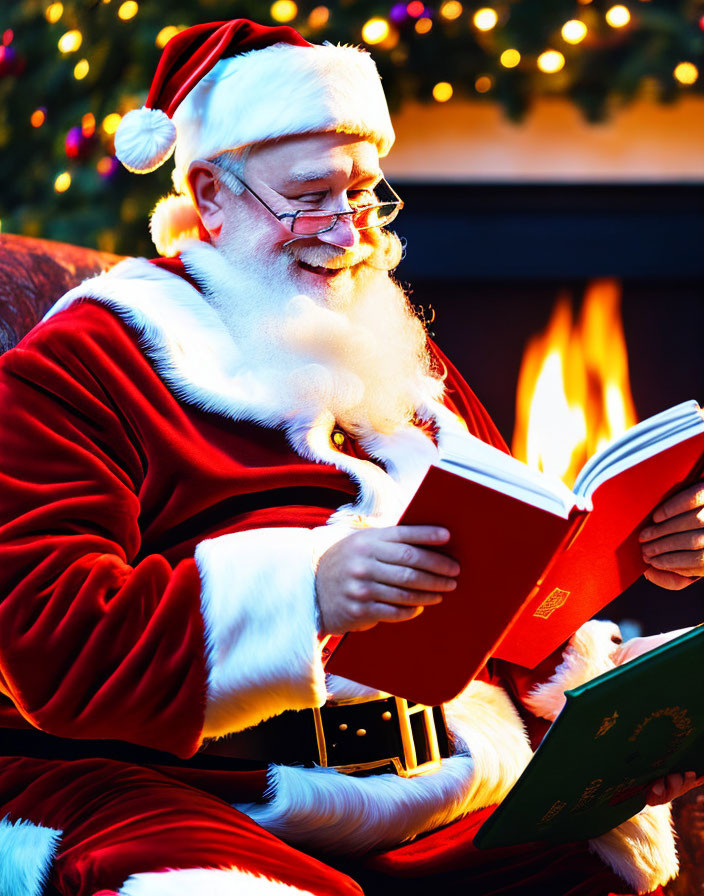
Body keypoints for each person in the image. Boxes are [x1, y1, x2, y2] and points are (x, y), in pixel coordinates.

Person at [0, 18, 702, 896]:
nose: (349, 232)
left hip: (437, 782)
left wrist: (628, 572)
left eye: (366, 196)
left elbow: (495, 606)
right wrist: (307, 594)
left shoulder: (396, 358)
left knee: (589, 863)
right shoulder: (87, 361)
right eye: (312, 195)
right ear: (209, 192)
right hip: (198, 791)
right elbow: (46, 637)